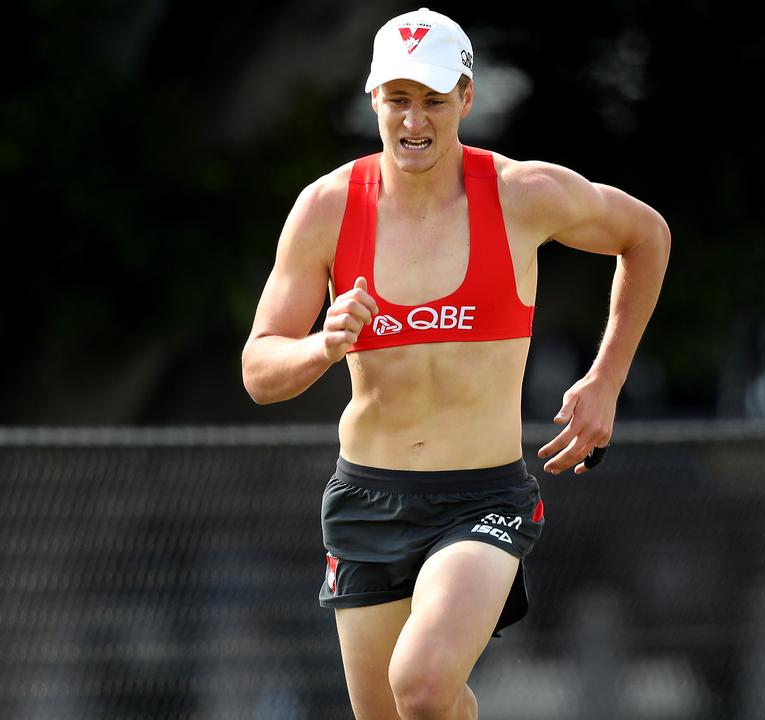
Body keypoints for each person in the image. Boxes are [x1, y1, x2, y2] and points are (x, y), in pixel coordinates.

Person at [241, 8, 670, 719]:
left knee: (423, 682)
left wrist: (606, 381)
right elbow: (259, 369)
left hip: (482, 501)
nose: (415, 121)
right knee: (399, 712)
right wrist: (323, 343)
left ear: (466, 99)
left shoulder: (522, 195)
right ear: (374, 97)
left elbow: (645, 236)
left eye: (434, 100)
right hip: (366, 502)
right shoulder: (324, 209)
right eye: (399, 99)